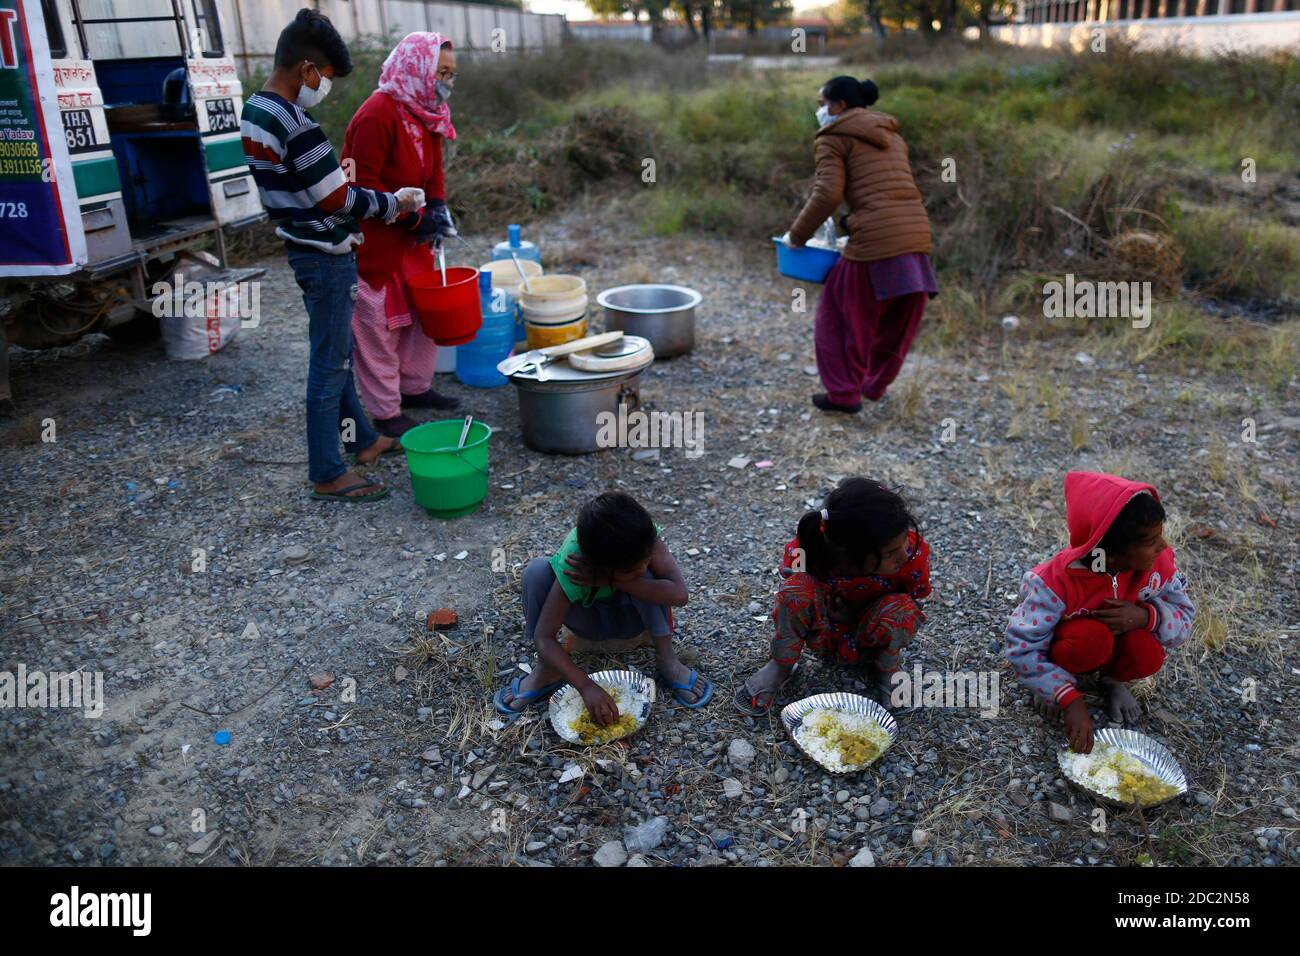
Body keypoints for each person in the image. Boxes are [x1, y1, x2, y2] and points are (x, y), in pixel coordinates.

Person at [240, 8, 424, 501]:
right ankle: (326, 470)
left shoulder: (255, 110)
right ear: (306, 69)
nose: (325, 87)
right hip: (325, 252)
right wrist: (396, 203)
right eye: (325, 77)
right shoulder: (296, 123)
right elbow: (339, 199)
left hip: (301, 247)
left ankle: (363, 440)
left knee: (337, 353)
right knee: (329, 363)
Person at [1005, 472, 1195, 753]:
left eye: (1160, 535)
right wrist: (1068, 699)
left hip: (1119, 645)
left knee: (1147, 651)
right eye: (1150, 540)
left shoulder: (1158, 568)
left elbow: (1184, 618)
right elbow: (1022, 648)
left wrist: (1145, 617)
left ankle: (1114, 681)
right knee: (1089, 639)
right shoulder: (1056, 583)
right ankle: (1054, 683)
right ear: (1112, 552)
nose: (1164, 546)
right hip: (1073, 648)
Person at [784, 76, 937, 414]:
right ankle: (874, 384)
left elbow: (827, 193)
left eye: (822, 103)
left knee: (839, 315)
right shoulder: (891, 135)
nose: (820, 110)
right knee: (898, 318)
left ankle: (843, 395)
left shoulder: (833, 138)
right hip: (916, 236)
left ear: (838, 106)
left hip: (875, 240)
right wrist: (849, 221)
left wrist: (796, 237)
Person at [494, 491, 714, 722]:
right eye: (628, 569)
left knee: (648, 577)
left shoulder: (642, 537)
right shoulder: (575, 565)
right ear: (595, 565)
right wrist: (586, 686)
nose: (640, 567)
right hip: (587, 622)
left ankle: (668, 659)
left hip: (632, 620)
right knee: (536, 571)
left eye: (646, 558)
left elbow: (680, 595)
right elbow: (544, 638)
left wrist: (619, 580)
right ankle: (547, 670)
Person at [343, 32, 462, 438]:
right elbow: (362, 186)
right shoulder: (378, 114)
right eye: (441, 71)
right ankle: (386, 411)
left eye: (451, 73)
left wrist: (439, 206)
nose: (447, 80)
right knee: (378, 325)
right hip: (377, 240)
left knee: (417, 316)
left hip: (411, 242)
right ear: (419, 68)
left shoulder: (426, 111)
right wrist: (414, 220)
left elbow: (434, 173)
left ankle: (414, 388)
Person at [735, 478, 932, 715]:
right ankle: (781, 664)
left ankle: (887, 667)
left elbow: (912, 600)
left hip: (868, 634)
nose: (903, 555)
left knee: (903, 609)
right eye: (890, 553)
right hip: (823, 631)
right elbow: (794, 592)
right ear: (849, 555)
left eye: (903, 545)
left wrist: (853, 614)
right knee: (794, 589)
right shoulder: (808, 550)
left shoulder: (912, 555)